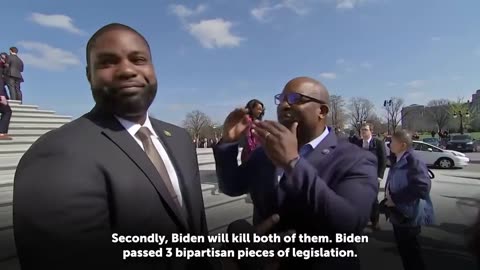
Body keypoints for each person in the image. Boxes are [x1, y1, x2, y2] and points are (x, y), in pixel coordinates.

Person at [13, 23, 214, 270]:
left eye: (138, 59)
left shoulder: (180, 139)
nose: (127, 70)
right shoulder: (55, 155)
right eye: (108, 62)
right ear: (89, 75)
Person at [213, 76, 378, 270]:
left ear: (321, 111)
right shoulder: (263, 153)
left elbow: (349, 223)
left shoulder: (355, 158)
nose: (283, 105)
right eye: (281, 99)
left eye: (294, 99)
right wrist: (228, 143)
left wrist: (293, 163)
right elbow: (232, 186)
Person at [383, 129, 435, 270]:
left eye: (392, 142)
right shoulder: (397, 158)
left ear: (403, 145)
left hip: (409, 214)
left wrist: (396, 200)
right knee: (405, 253)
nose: (389, 144)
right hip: (398, 213)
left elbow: (422, 187)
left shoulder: (413, 160)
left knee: (412, 254)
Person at [357, 123, 386, 230]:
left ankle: (375, 221)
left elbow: (383, 160)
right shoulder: (357, 142)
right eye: (361, 130)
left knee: (373, 199)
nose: (363, 132)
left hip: (373, 176)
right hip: (359, 176)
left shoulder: (378, 143)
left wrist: (380, 176)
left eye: (365, 130)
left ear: (371, 131)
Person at [240, 99, 265, 163]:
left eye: (261, 109)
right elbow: (248, 138)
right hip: (250, 154)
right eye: (258, 109)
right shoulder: (247, 121)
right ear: (252, 108)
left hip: (258, 153)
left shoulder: (258, 122)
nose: (260, 111)